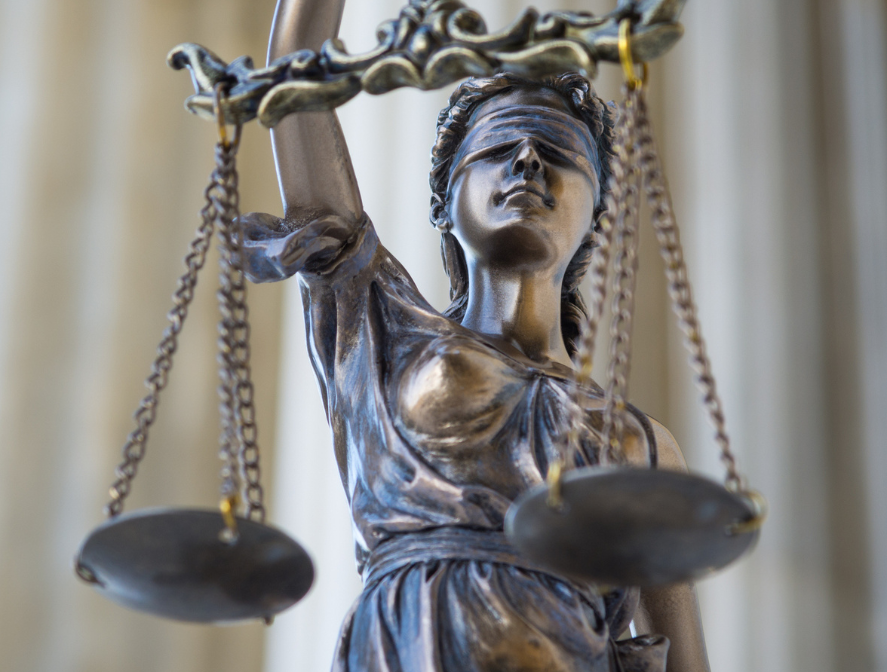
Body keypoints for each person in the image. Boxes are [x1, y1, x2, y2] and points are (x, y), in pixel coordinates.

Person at [240, 1, 713, 670]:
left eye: (557, 155)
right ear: (444, 202)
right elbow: (292, 69)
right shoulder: (380, 328)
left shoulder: (639, 444)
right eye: (497, 147)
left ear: (595, 214)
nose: (525, 161)